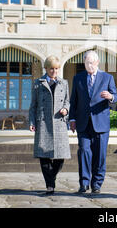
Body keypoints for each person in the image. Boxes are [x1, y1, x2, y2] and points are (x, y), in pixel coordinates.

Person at [68, 50, 117, 194]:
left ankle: (96, 184)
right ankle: (84, 183)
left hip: (101, 123)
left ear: (97, 63)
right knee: (83, 151)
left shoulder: (107, 78)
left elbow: (115, 99)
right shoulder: (78, 78)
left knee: (100, 155)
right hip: (83, 123)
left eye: (91, 63)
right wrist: (72, 119)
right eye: (86, 63)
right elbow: (74, 101)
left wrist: (110, 96)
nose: (89, 65)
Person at [29, 55, 71, 195]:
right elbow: (33, 106)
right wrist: (32, 122)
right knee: (44, 155)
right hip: (43, 123)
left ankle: (51, 177)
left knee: (61, 156)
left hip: (59, 122)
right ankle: (50, 185)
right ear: (46, 68)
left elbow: (67, 101)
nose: (54, 71)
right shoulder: (38, 83)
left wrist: (66, 109)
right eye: (51, 68)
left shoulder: (63, 83)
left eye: (57, 69)